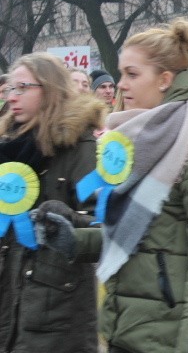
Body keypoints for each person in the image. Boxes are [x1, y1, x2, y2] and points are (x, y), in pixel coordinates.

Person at [35, 20, 188, 352]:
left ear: (164, 80)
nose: (120, 84)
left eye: (132, 74)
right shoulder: (136, 140)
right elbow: (138, 235)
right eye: (121, 74)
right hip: (127, 328)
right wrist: (75, 241)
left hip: (172, 337)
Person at [0, 53, 105, 352]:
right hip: (8, 298)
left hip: (57, 308)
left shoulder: (80, 145)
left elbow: (103, 222)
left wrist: (68, 221)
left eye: (23, 88)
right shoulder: (6, 146)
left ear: (49, 89)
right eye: (10, 89)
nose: (13, 97)